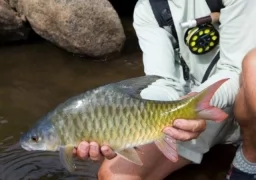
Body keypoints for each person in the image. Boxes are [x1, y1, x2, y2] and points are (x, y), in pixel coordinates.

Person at [74, 0, 256, 179]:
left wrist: (194, 102)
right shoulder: (146, 9)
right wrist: (124, 120)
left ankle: (248, 160)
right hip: (189, 112)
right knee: (113, 176)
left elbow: (234, 70)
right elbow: (162, 82)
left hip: (245, 102)